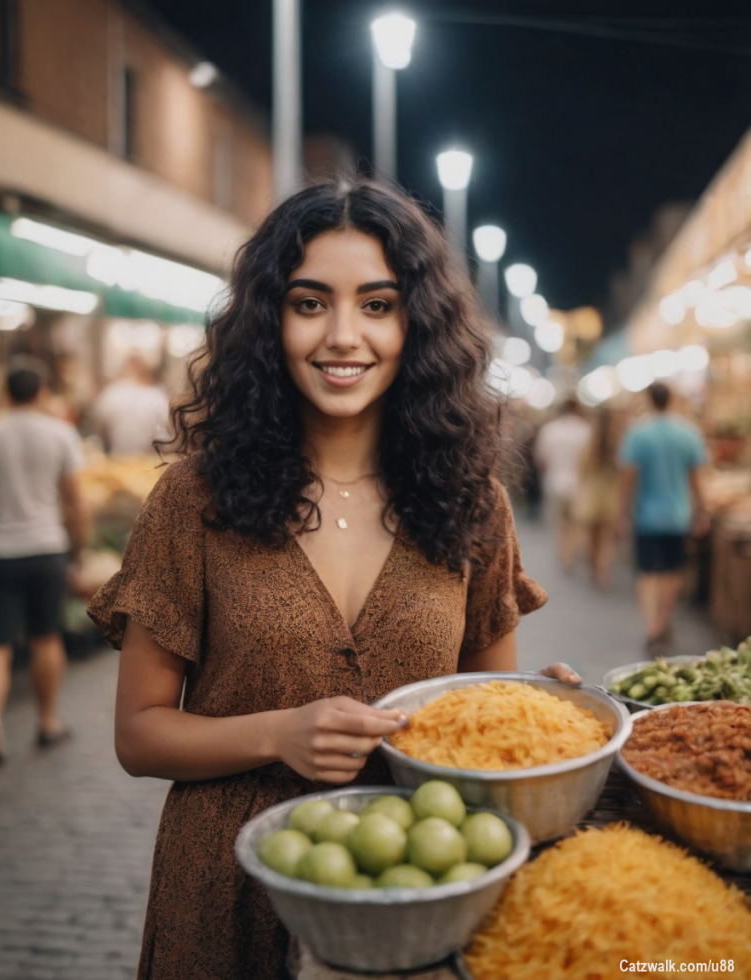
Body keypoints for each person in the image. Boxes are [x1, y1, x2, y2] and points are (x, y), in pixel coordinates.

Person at [87, 178, 579, 980]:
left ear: (418, 323)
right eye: (310, 303)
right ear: (269, 320)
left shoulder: (471, 503)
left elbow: (487, 720)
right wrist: (277, 733)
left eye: (378, 305)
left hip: (416, 888)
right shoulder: (194, 497)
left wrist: (549, 722)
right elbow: (139, 735)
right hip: (223, 889)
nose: (343, 336)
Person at [0, 357, 88, 765]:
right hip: (47, 547)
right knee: (46, 637)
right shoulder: (60, 433)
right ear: (42, 391)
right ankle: (48, 722)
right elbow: (75, 500)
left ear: (6, 391)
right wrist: (77, 549)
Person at [618, 382, 709, 656]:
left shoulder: (637, 432)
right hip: (678, 515)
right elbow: (696, 479)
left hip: (646, 516)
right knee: (672, 572)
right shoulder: (688, 432)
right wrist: (702, 511)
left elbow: (627, 479)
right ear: (672, 399)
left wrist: (622, 513)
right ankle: (662, 623)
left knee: (647, 573)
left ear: (649, 399)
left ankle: (651, 627)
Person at [534, 398, 592, 571]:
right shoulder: (586, 430)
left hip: (554, 480)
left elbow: (541, 458)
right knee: (574, 522)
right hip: (578, 483)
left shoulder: (550, 430)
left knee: (559, 522)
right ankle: (571, 552)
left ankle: (563, 553)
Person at [573, 407, 621, 590]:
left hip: (592, 493)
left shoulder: (588, 442)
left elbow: (582, 469)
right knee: (607, 537)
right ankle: (603, 572)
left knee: (593, 535)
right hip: (610, 493)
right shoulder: (617, 443)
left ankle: (594, 567)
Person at [92, 354, 170, 456]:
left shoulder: (113, 391)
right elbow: (166, 434)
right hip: (146, 461)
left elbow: (100, 426)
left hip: (120, 459)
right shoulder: (157, 396)